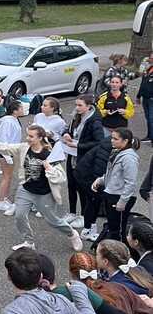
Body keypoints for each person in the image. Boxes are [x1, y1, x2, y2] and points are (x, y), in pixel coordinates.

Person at [0, 125, 82, 252]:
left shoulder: (49, 155)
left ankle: (72, 234)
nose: (27, 138)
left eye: (31, 136)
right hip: (26, 190)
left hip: (44, 194)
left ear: (40, 138)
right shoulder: (25, 147)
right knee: (19, 216)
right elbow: (6, 147)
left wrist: (49, 169)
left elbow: (61, 177)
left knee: (53, 221)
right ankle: (29, 242)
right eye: (27, 135)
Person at [61, 94, 105, 229]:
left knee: (82, 188)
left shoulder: (94, 121)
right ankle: (72, 212)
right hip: (72, 156)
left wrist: (78, 145)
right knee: (71, 185)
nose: (77, 108)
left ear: (89, 106)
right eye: (76, 105)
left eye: (80, 105)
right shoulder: (76, 116)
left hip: (85, 159)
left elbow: (99, 142)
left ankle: (83, 215)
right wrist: (66, 134)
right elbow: (69, 129)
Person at [92, 127, 140, 243]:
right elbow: (113, 174)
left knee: (118, 230)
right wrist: (100, 180)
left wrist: (122, 201)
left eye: (116, 139)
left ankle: (119, 255)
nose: (112, 141)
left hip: (119, 197)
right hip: (112, 194)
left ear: (125, 141)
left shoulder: (129, 158)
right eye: (112, 138)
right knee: (113, 227)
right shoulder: (117, 152)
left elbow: (131, 182)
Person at [74, 134, 112, 243]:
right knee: (92, 202)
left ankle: (90, 228)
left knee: (92, 203)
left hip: (85, 174)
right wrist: (98, 184)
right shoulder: (107, 149)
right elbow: (99, 169)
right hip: (88, 177)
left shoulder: (108, 144)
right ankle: (87, 230)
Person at [0, 100, 24, 213]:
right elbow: (3, 138)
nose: (23, 110)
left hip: (10, 151)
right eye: (21, 108)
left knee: (9, 176)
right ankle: (0, 201)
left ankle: (4, 198)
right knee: (6, 176)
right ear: (15, 111)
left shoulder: (13, 119)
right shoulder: (7, 122)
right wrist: (7, 155)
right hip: (5, 152)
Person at [137, 59, 153, 141]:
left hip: (151, 98)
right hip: (145, 98)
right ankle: (149, 136)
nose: (150, 60)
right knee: (148, 118)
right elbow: (143, 84)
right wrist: (138, 96)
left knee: (151, 118)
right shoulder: (147, 70)